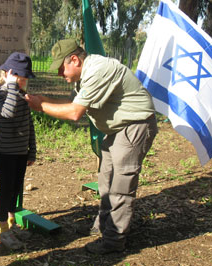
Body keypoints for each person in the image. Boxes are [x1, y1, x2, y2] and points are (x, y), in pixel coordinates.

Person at [25, 39, 158, 254]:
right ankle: (103, 226)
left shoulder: (98, 70)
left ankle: (114, 241)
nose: (60, 74)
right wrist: (42, 99)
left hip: (134, 125)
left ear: (75, 60)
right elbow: (70, 104)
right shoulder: (84, 75)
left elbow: (74, 113)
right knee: (105, 180)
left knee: (120, 186)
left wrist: (40, 106)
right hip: (117, 129)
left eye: (61, 68)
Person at [0, 52, 36, 249]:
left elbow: (29, 124)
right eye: (21, 77)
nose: (24, 81)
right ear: (10, 74)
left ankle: (10, 224)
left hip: (20, 153)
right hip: (6, 154)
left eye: (26, 77)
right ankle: (2, 231)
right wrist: (10, 86)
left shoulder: (21, 95)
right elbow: (7, 113)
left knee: (15, 191)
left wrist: (32, 150)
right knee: (5, 191)